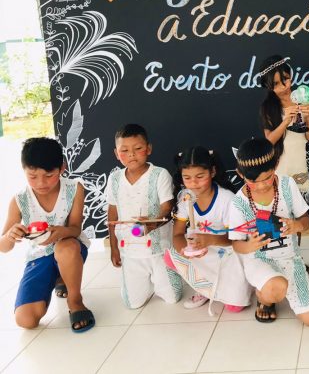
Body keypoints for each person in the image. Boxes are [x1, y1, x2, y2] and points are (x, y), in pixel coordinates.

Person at [0, 137, 93, 332]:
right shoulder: (19, 200)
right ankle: (59, 279)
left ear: (62, 168)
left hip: (70, 250)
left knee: (65, 247)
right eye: (32, 176)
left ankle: (75, 301)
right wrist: (10, 236)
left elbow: (75, 228)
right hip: (39, 257)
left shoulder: (74, 189)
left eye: (49, 175)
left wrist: (61, 232)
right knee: (26, 320)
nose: (41, 183)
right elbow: (3, 247)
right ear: (23, 170)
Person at [229, 138, 309, 325]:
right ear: (240, 174)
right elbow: (236, 244)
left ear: (276, 165)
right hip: (259, 260)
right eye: (253, 181)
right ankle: (264, 298)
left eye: (267, 178)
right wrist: (250, 245)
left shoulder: (287, 185)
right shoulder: (238, 203)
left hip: (290, 258)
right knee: (276, 287)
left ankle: (283, 287)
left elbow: (306, 220)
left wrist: (297, 226)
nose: (262, 185)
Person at [166, 146, 252, 313]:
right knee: (170, 257)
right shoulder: (185, 198)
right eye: (187, 178)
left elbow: (236, 239)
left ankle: (237, 284)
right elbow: (177, 234)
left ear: (212, 172)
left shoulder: (226, 199)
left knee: (234, 308)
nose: (193, 183)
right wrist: (185, 250)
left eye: (200, 176)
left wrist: (210, 240)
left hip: (227, 251)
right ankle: (205, 288)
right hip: (200, 249)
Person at [107, 124, 182, 310]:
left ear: (148, 149)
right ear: (116, 153)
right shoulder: (114, 179)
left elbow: (167, 207)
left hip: (159, 249)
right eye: (124, 150)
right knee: (132, 303)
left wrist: (152, 224)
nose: (131, 154)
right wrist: (114, 247)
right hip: (129, 251)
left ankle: (162, 280)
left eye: (138, 148)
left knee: (173, 297)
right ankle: (143, 285)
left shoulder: (159, 174)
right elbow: (112, 213)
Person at [259, 55, 309, 193]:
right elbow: (269, 141)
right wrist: (286, 121)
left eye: (285, 79)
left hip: (299, 160)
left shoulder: (304, 98)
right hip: (280, 164)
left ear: (290, 75)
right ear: (269, 86)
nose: (283, 86)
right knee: (282, 200)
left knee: (299, 201)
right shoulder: (268, 107)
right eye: (276, 84)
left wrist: (308, 118)